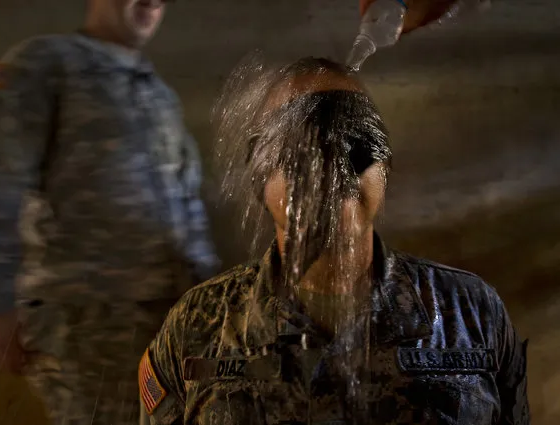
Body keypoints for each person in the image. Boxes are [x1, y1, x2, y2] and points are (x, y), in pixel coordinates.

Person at [138, 56, 530, 425]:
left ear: (385, 166)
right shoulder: (197, 327)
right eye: (298, 151)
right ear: (259, 175)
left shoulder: (471, 314)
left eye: (355, 144)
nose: (330, 171)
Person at [0, 0, 219, 423]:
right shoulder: (47, 64)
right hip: (92, 328)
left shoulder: (156, 92)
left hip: (173, 325)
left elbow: (185, 207)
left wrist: (212, 304)